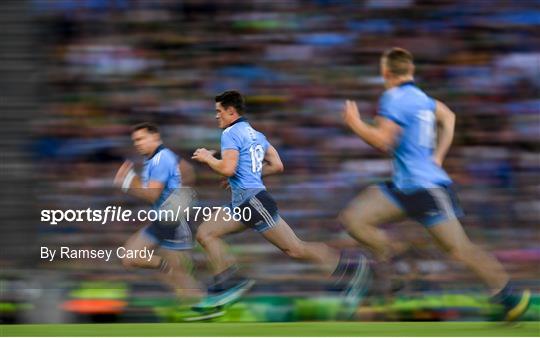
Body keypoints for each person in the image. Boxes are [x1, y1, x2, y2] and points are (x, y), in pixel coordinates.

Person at [339, 47, 530, 321]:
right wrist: (439, 154)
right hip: (403, 187)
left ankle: (508, 296)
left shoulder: (392, 98)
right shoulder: (423, 98)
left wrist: (355, 123)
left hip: (427, 188)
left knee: (459, 249)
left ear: (385, 73)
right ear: (410, 71)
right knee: (354, 219)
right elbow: (449, 116)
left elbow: (382, 141)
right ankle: (400, 259)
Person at [191, 90, 369, 311]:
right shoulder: (257, 135)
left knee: (295, 249)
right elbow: (277, 165)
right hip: (243, 203)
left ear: (231, 111)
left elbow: (227, 168)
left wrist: (208, 158)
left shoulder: (230, 133)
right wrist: (248, 175)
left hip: (253, 201)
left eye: (219, 111)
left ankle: (348, 268)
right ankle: (227, 283)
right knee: (205, 233)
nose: (216, 116)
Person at [113, 122, 203, 303]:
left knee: (180, 280)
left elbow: (152, 195)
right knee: (129, 257)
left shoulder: (161, 159)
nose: (137, 143)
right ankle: (169, 267)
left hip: (173, 223)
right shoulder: (157, 159)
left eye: (141, 138)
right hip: (161, 221)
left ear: (155, 137)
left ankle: (204, 308)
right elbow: (187, 170)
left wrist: (128, 181)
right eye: (135, 141)